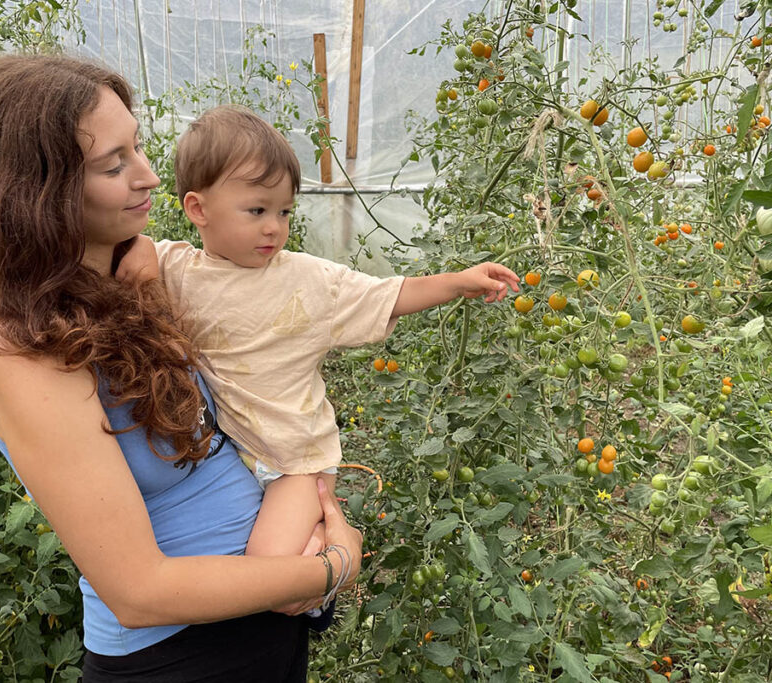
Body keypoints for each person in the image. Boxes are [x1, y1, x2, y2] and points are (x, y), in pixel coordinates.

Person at [0, 54, 363, 682]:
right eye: (114, 164)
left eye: (138, 148)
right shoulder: (22, 350)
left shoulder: (139, 276)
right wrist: (332, 566)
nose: (146, 176)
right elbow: (139, 592)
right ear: (37, 189)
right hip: (182, 656)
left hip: (264, 622)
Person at [117, 105, 520, 564]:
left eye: (285, 210)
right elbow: (125, 249)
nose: (274, 226)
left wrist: (456, 282)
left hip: (296, 464)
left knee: (270, 568)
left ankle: (327, 568)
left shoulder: (307, 280)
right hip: (235, 451)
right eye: (256, 209)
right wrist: (141, 251)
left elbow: (387, 294)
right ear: (197, 208)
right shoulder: (177, 268)